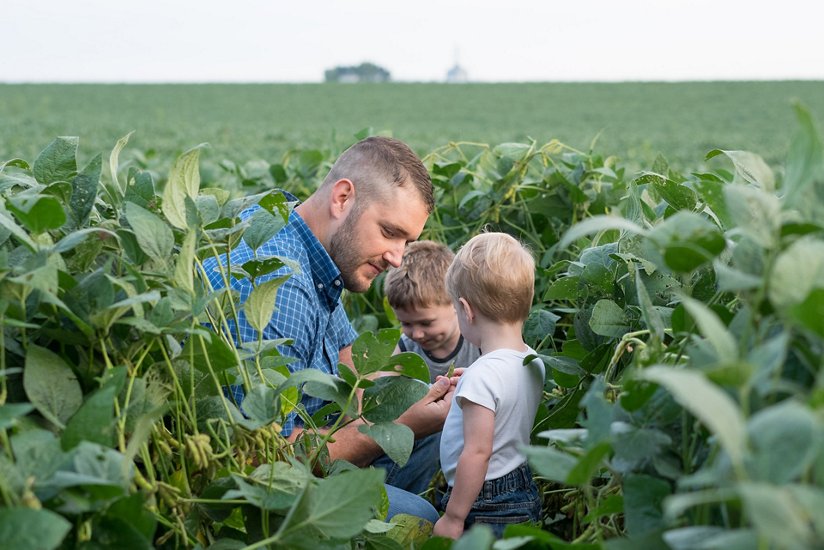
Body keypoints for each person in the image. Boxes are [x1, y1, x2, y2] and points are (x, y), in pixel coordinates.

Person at [202, 136, 451, 524]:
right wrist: (397, 428)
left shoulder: (307, 242)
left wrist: (433, 396)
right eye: (389, 231)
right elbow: (264, 461)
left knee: (422, 405)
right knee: (420, 517)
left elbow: (353, 366)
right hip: (260, 483)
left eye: (408, 241)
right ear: (342, 198)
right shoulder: (278, 289)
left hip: (308, 431)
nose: (397, 258)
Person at [433, 232, 545, 539]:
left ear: (467, 311)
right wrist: (474, 377)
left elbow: (478, 452)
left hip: (482, 499)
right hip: (520, 483)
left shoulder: (483, 378)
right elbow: (506, 393)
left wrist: (454, 518)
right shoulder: (531, 360)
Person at [383, 240, 481, 383]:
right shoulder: (404, 351)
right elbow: (383, 388)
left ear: (456, 304)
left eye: (426, 323)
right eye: (406, 323)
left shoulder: (479, 341)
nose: (417, 334)